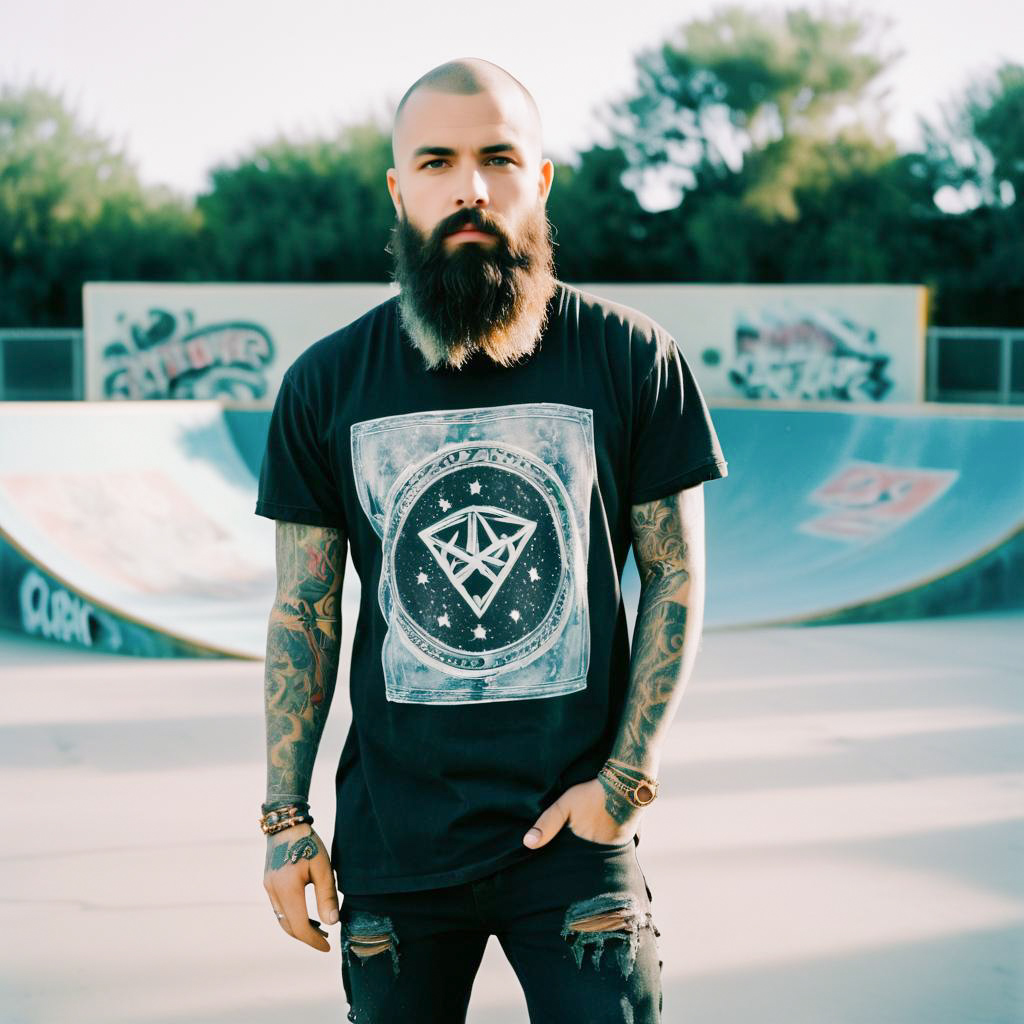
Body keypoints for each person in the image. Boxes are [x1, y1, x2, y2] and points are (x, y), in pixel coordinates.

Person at [255, 56, 728, 1024]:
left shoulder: (630, 357)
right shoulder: (326, 383)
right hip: (393, 848)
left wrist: (625, 782)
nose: (469, 187)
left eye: (498, 158)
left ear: (540, 179)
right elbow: (303, 607)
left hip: (575, 845)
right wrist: (285, 819)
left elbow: (674, 576)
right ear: (399, 188)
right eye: (436, 161)